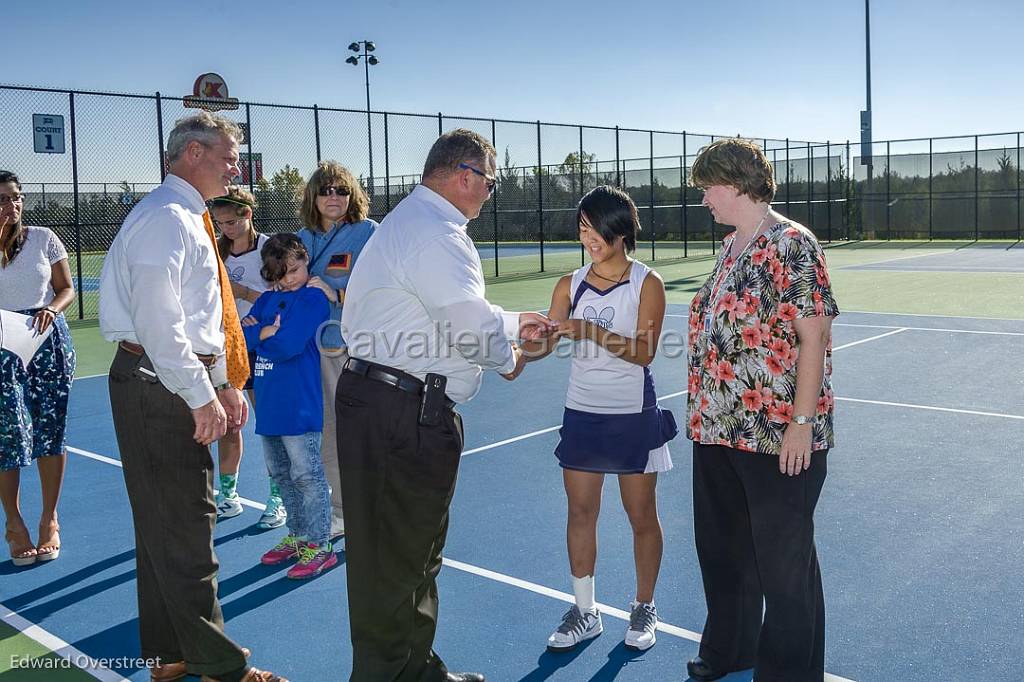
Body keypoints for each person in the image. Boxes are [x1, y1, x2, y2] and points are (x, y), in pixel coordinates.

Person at [337, 128, 553, 682]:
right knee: (393, 563)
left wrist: (508, 322)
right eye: (490, 181)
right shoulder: (436, 232)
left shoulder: (418, 223)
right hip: (400, 411)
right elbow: (468, 330)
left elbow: (448, 309)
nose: (490, 192)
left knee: (412, 555)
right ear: (465, 176)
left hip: (395, 403)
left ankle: (416, 671)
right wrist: (512, 354)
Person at [98, 112, 285, 682]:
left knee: (164, 526)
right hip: (160, 383)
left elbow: (202, 317)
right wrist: (203, 395)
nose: (238, 164)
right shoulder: (166, 218)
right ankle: (219, 667)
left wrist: (224, 383)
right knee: (186, 527)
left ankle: (169, 656)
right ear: (195, 153)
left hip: (165, 379)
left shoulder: (184, 215)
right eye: (230, 153)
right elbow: (161, 323)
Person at [684, 138, 838, 682]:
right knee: (723, 553)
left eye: (706, 187)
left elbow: (813, 337)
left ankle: (789, 674)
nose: (703, 198)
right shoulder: (729, 248)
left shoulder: (793, 244)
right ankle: (731, 649)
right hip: (717, 427)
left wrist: (800, 425)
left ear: (733, 184)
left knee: (784, 567)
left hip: (775, 435)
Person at [519, 185, 677, 653]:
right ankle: (585, 611)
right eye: (582, 227)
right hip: (582, 412)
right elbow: (546, 342)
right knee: (580, 512)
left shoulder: (647, 283)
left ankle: (644, 605)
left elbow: (645, 352)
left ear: (620, 232)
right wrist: (528, 343)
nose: (587, 236)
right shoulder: (570, 284)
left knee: (641, 515)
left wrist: (589, 330)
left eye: (595, 228)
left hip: (632, 414)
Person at [241, 233, 336, 580]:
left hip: (299, 406)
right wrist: (264, 333)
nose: (289, 278)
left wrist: (261, 336)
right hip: (268, 407)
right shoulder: (266, 301)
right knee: (282, 476)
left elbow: (290, 345)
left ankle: (320, 545)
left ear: (304, 262)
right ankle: (297, 536)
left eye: (295, 269)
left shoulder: (313, 299)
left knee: (307, 475)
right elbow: (239, 338)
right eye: (281, 273)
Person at [296, 161, 376, 540]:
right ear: (313, 195)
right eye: (326, 189)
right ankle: (341, 507)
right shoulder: (301, 238)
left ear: (352, 195)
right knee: (322, 432)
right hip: (305, 352)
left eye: (341, 190)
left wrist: (337, 293)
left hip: (345, 348)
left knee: (352, 430)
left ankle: (350, 510)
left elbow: (382, 287)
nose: (333, 196)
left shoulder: (367, 234)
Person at [0, 170, 76, 567]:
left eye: (15, 197)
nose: (10, 206)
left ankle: (50, 519)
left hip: (47, 339)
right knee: (7, 437)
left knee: (51, 431)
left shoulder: (44, 237)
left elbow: (66, 288)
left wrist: (51, 308)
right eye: (1, 199)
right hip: (1, 346)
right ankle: (14, 524)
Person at [209, 188, 286, 530]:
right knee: (228, 421)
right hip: (225, 346)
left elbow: (286, 293)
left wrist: (243, 294)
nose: (226, 227)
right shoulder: (215, 250)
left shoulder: (271, 249)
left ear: (248, 214)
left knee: (268, 423)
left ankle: (278, 498)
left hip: (262, 346)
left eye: (232, 220)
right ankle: (229, 496)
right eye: (220, 222)